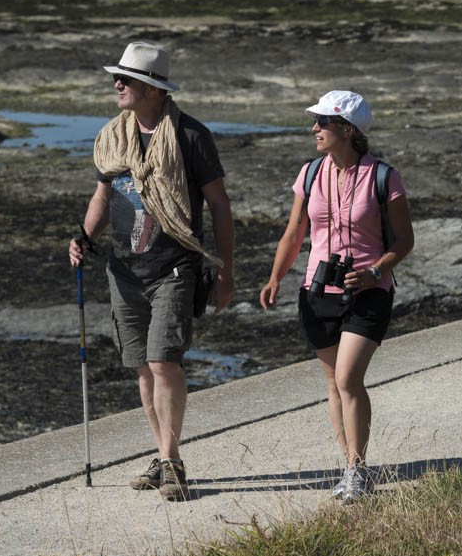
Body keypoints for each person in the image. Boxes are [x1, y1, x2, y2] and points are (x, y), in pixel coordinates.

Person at [68, 42, 235, 502]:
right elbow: (103, 195)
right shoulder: (113, 136)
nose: (117, 84)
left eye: (127, 79)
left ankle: (173, 461)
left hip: (175, 265)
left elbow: (219, 205)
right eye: (116, 77)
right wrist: (83, 236)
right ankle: (164, 456)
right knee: (143, 366)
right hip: (123, 269)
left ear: (154, 89)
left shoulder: (190, 137)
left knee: (165, 361)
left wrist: (224, 269)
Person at [259, 89, 414, 503]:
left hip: (369, 291)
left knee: (348, 379)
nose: (315, 128)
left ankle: (358, 470)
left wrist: (375, 270)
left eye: (323, 122)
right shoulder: (310, 173)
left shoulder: (383, 176)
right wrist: (275, 277)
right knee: (333, 384)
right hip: (316, 291)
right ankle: (348, 467)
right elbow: (295, 233)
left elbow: (404, 240)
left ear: (347, 129)